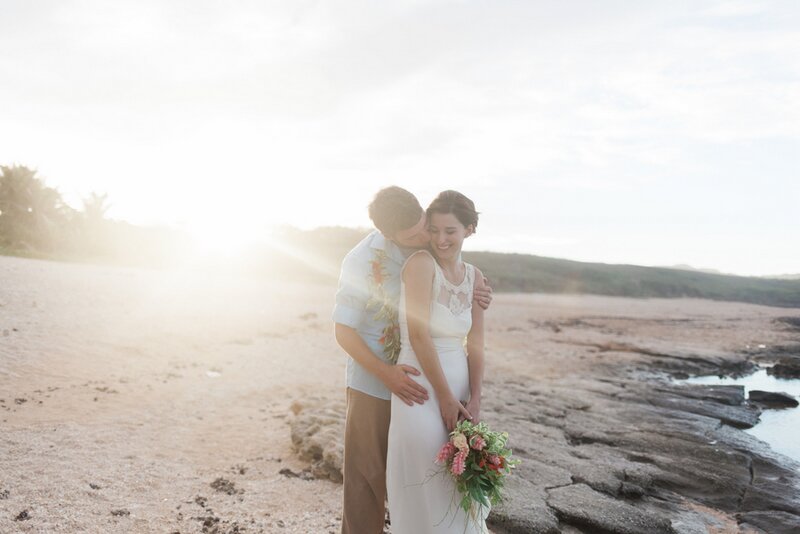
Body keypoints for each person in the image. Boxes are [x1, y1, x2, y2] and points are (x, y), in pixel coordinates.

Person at [333, 187, 492, 534]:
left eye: (426, 226)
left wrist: (478, 291)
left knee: (433, 479)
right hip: (374, 383)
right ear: (390, 235)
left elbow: (454, 265)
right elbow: (343, 331)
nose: (427, 237)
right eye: (417, 233)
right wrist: (386, 374)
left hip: (429, 380)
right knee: (366, 482)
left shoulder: (427, 241)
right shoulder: (361, 262)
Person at [386, 190, 488, 533]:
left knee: (457, 485)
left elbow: (476, 343)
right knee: (428, 478)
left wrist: (474, 398)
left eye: (451, 231)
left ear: (469, 230)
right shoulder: (419, 264)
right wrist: (444, 396)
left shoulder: (476, 277)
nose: (441, 240)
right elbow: (418, 335)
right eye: (434, 231)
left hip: (458, 390)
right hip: (420, 388)